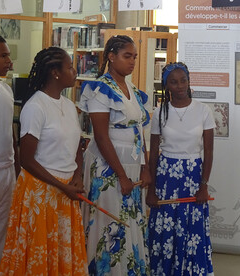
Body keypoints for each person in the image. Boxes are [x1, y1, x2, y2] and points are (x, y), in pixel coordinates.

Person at [0, 47, 88, 275]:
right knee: (40, 254)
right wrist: (62, 186)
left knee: (60, 254)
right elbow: (27, 160)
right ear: (55, 73)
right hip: (42, 192)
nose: (75, 71)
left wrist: (76, 178)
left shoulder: (69, 106)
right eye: (69, 67)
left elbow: (76, 146)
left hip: (67, 191)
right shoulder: (35, 107)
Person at [79, 35, 151, 275]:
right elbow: (100, 136)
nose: (132, 62)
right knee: (109, 221)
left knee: (129, 219)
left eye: (134, 57)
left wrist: (145, 168)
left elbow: (139, 131)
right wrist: (121, 175)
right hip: (108, 166)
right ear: (111, 56)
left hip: (131, 164)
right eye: (127, 56)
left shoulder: (131, 88)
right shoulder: (100, 89)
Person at [146, 62, 215, 275]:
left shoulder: (203, 110)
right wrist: (151, 189)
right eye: (173, 82)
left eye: (183, 80)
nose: (180, 86)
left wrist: (204, 185)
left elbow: (209, 152)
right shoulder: (159, 112)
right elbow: (154, 152)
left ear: (189, 81)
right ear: (166, 86)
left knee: (191, 230)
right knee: (165, 229)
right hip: (166, 176)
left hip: (193, 177)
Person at [0, 34, 20, 276]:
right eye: (3, 55)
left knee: (2, 229)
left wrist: (17, 168)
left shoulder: (5, 89)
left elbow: (10, 132)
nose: (9, 61)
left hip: (6, 169)